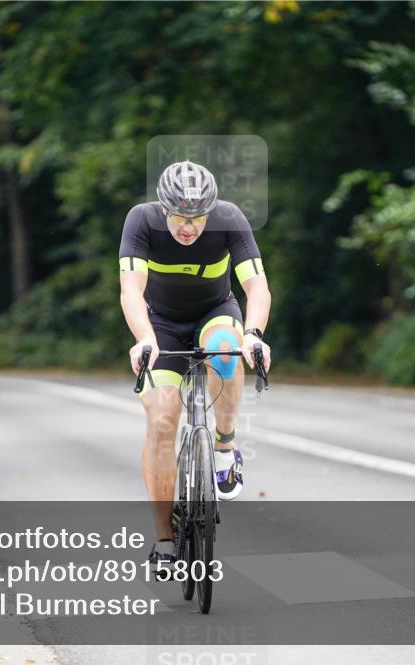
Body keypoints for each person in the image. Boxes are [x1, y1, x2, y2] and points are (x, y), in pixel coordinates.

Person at [118, 160, 272, 567]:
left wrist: (254, 334)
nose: (190, 228)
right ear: (164, 209)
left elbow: (256, 285)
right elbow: (131, 289)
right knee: (163, 419)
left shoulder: (229, 219)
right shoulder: (141, 220)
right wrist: (144, 340)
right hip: (161, 326)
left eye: (198, 218)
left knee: (227, 349)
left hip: (215, 313)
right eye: (181, 218)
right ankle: (165, 540)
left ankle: (224, 447)